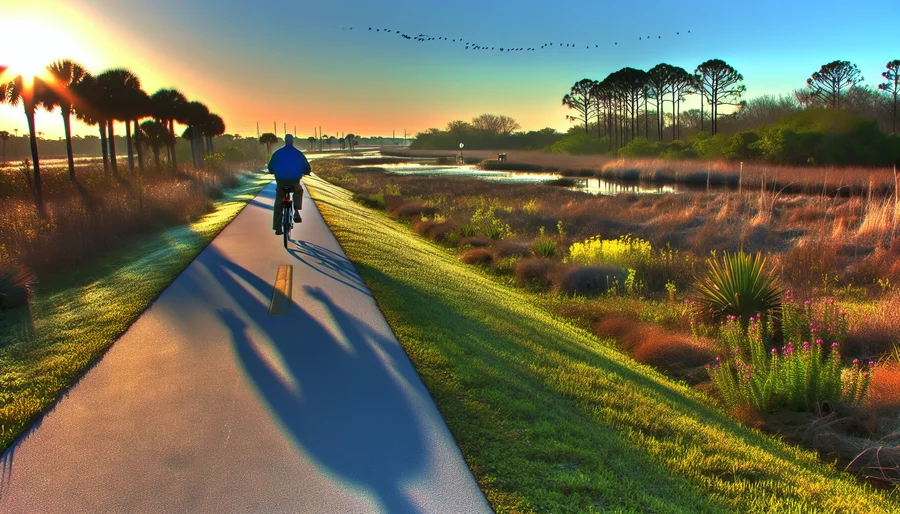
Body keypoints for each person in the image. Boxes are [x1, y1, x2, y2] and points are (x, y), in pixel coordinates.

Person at [267, 134, 311, 235]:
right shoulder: (298, 153)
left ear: (285, 141)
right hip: (294, 181)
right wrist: (306, 172)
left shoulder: (277, 153)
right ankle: (296, 210)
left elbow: (270, 166)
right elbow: (306, 166)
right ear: (292, 141)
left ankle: (278, 228)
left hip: (281, 182)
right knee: (298, 191)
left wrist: (272, 171)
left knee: (279, 203)